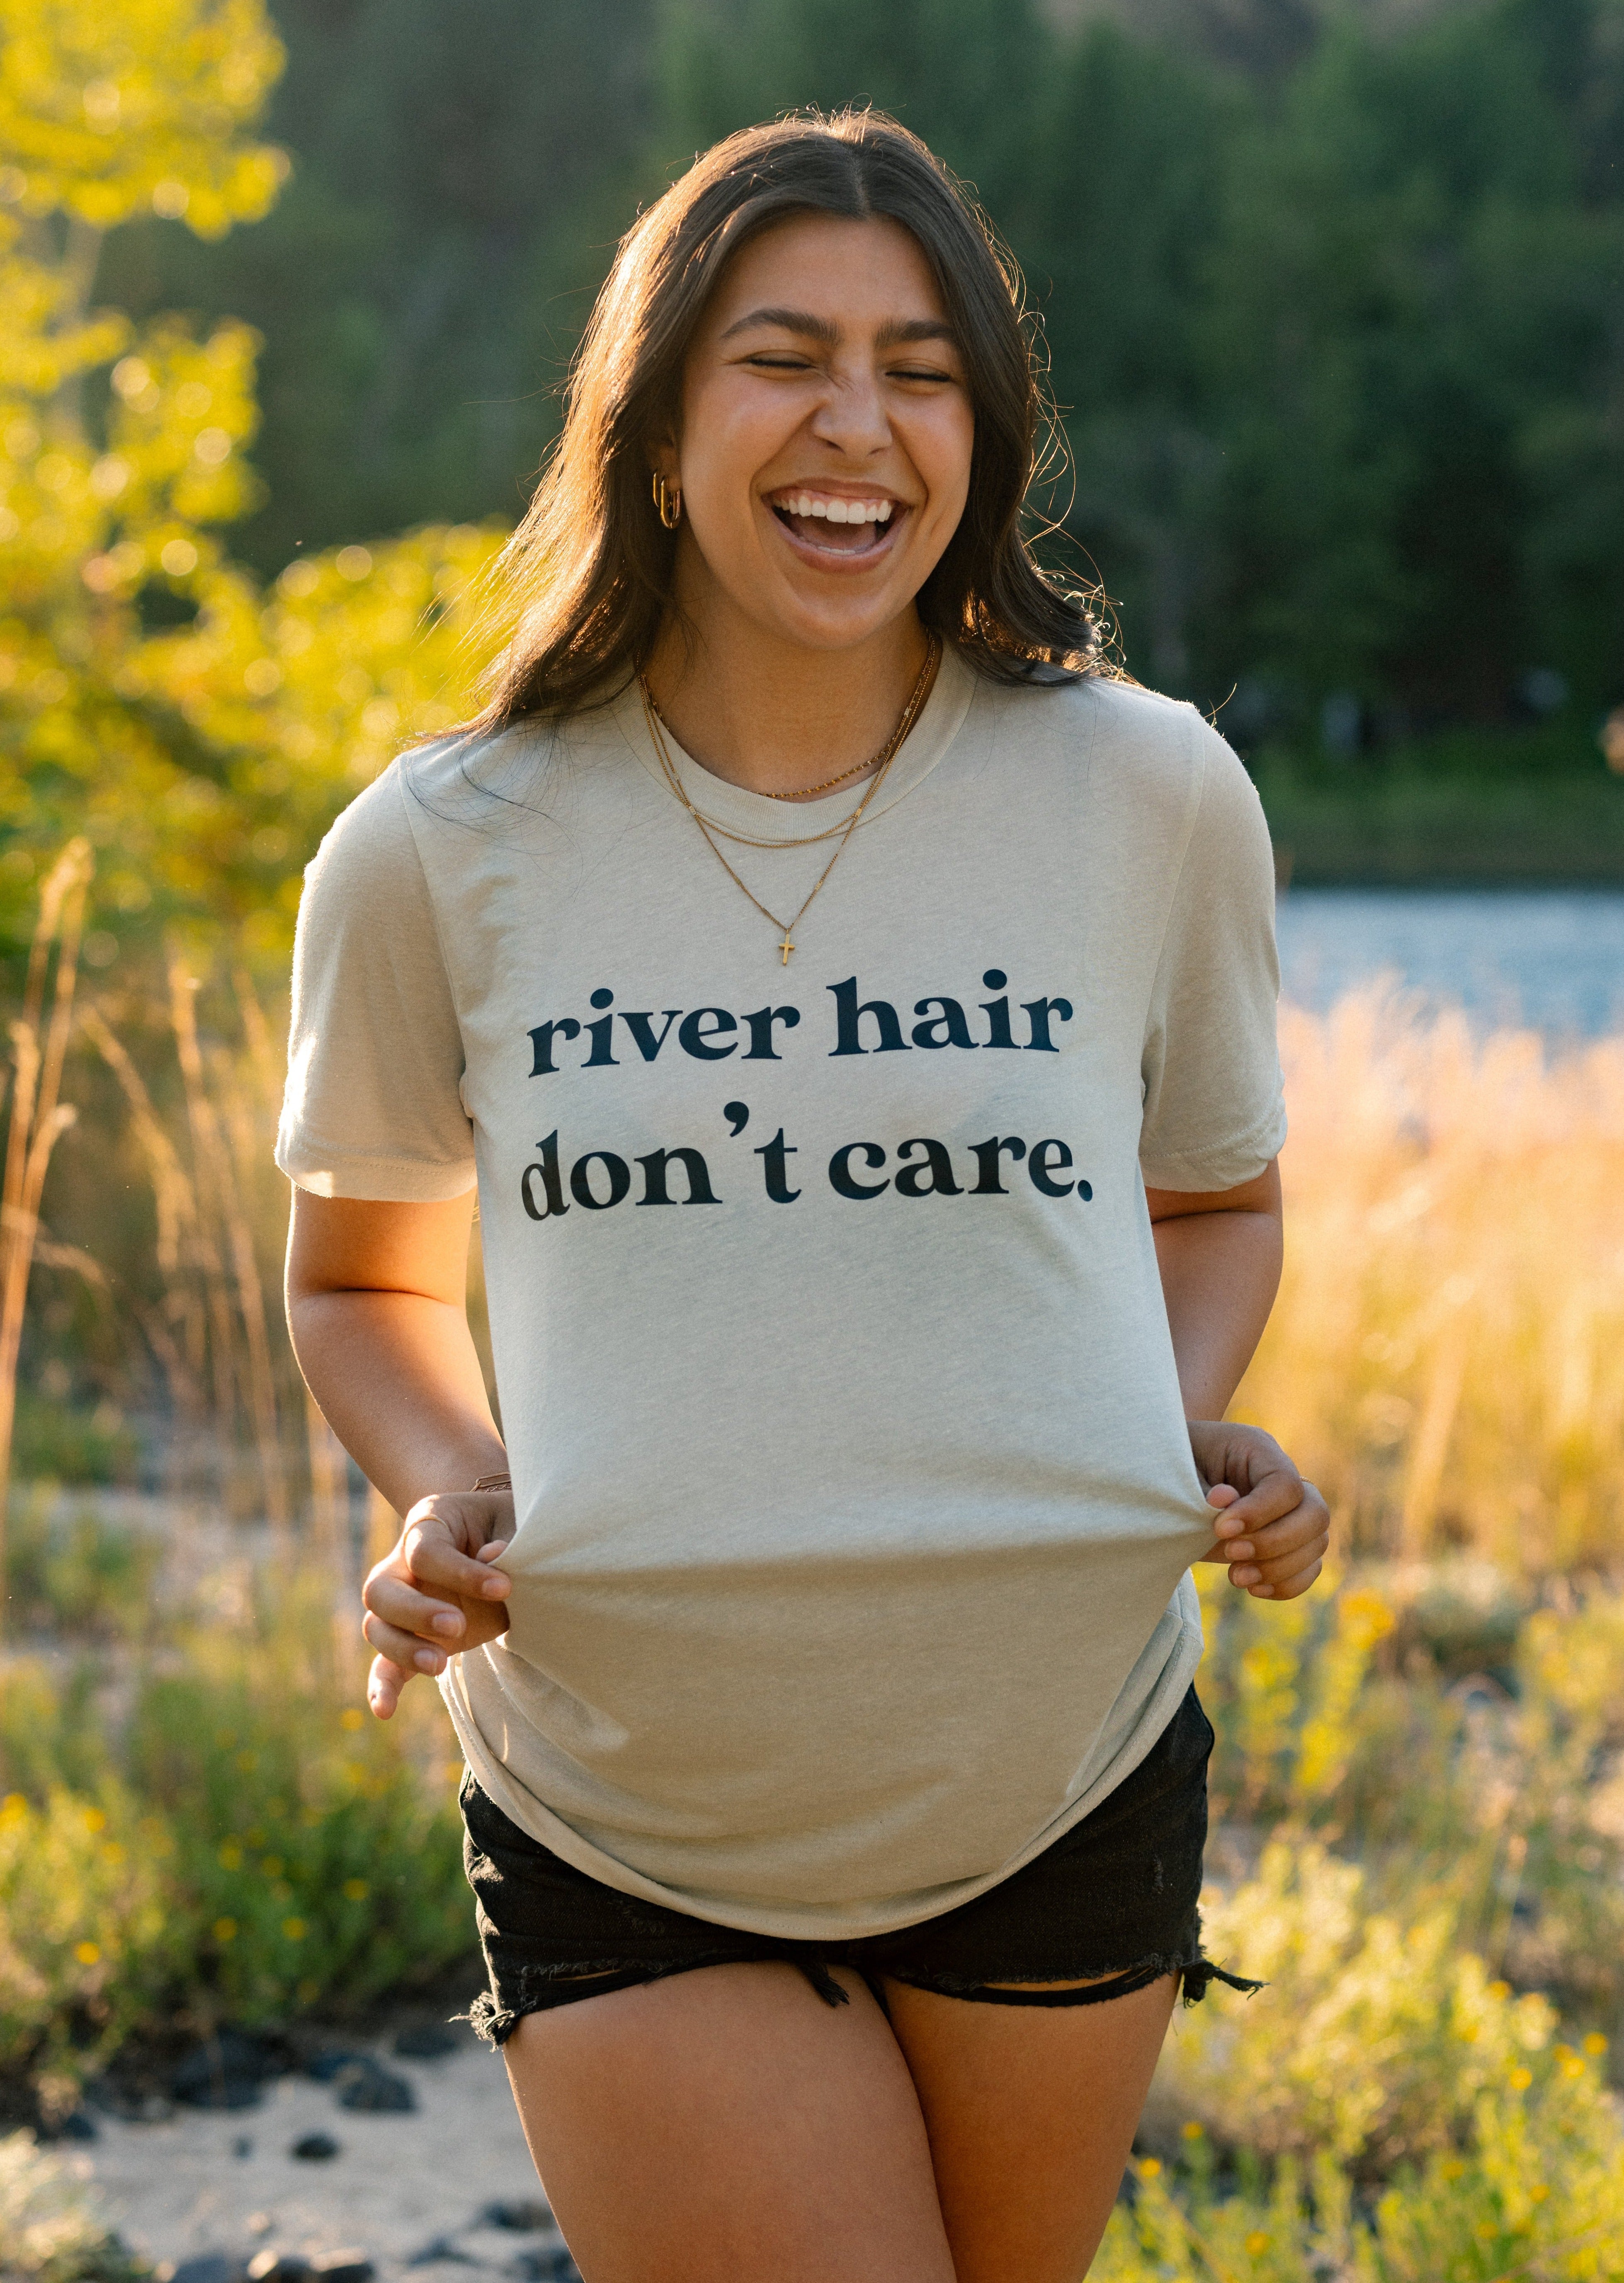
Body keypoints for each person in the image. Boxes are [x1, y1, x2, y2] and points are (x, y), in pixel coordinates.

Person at [280, 109, 1329, 2283]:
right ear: (657, 416)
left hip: (1062, 1768)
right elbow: (356, 1275)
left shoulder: (1146, 792)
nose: (858, 424)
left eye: (922, 366)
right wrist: (444, 1482)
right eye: (783, 354)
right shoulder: (434, 846)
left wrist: (1171, 1419)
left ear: (986, 431)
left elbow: (1212, 1205)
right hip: (623, 1799)